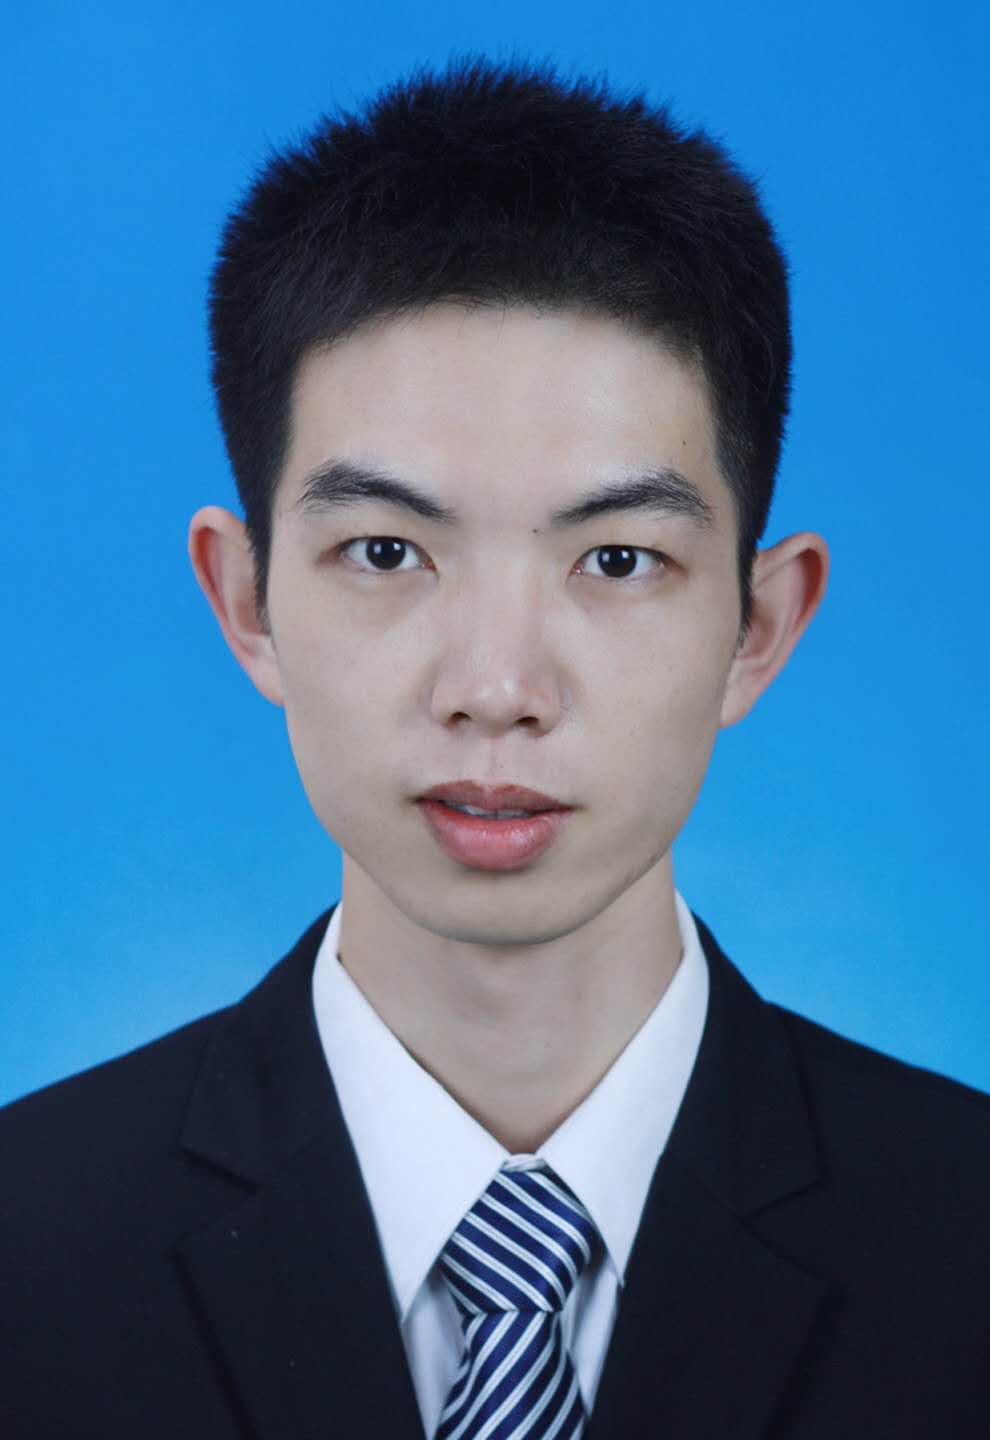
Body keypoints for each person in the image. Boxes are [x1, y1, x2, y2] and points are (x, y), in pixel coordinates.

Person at [2, 54, 988, 1440]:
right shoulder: (24, 1250)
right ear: (247, 602)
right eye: (385, 551)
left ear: (757, 627)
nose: (496, 689)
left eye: (618, 559)